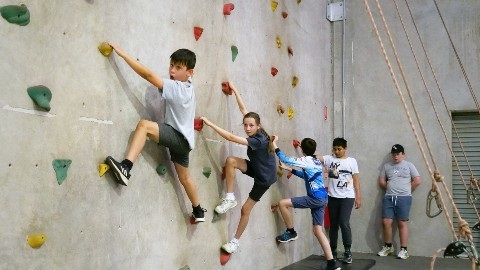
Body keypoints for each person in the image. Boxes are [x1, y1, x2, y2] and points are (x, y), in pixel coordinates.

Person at [105, 43, 206, 223]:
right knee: (185, 177)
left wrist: (122, 54)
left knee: (144, 126)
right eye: (171, 65)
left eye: (178, 67)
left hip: (177, 136)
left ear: (190, 72)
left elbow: (148, 75)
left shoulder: (177, 88)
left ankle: (125, 168)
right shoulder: (189, 86)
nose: (172, 70)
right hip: (185, 142)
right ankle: (198, 210)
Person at [200, 81, 277, 254]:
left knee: (245, 209)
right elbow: (244, 110)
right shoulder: (259, 129)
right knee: (231, 161)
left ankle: (234, 242)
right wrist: (234, 90)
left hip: (264, 179)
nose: (248, 128)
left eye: (251, 126)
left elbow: (230, 137)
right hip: (258, 167)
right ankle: (229, 198)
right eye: (246, 125)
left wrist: (210, 124)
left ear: (257, 126)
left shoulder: (258, 140)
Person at [273, 137, 341, 270]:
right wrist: (290, 170)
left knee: (282, 203)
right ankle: (331, 263)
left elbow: (286, 158)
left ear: (302, 150)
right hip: (322, 199)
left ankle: (291, 231)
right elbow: (308, 176)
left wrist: (274, 144)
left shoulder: (306, 160)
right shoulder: (315, 161)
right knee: (318, 231)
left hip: (315, 199)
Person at [316, 137, 361, 264]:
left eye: (339, 149)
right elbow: (316, 157)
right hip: (332, 197)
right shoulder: (330, 160)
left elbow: (356, 179)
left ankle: (347, 252)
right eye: (335, 149)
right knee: (334, 224)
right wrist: (306, 149)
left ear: (345, 149)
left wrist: (358, 197)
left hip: (347, 197)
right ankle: (333, 251)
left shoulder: (352, 161)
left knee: (344, 222)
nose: (337, 151)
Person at [377, 144, 421, 260]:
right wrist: (391, 188)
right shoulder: (387, 166)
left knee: (402, 223)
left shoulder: (409, 165)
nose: (395, 156)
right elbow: (382, 181)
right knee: (386, 222)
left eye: (398, 154)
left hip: (404, 197)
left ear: (403, 154)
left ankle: (404, 250)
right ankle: (388, 247)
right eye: (394, 154)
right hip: (389, 197)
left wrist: (406, 189)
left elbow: (417, 180)